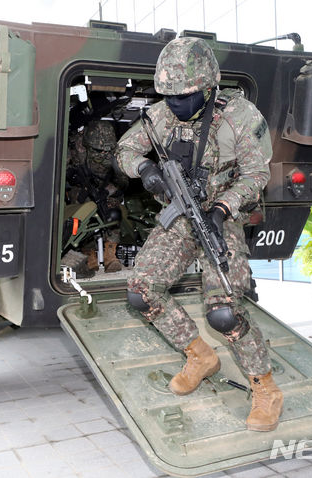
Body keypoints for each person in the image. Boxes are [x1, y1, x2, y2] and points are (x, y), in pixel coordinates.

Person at [116, 37, 282, 432]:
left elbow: (258, 175)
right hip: (179, 219)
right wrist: (145, 170)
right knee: (141, 291)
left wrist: (221, 209)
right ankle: (199, 356)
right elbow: (124, 150)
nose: (172, 104)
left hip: (221, 218)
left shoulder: (239, 116)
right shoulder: (162, 115)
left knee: (224, 311)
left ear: (208, 88)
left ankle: (266, 388)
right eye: (167, 95)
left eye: (181, 96)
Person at [66, 120, 128, 273]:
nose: (104, 155)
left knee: (112, 214)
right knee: (81, 216)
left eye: (107, 150)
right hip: (80, 188)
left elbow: (124, 180)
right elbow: (58, 166)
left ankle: (110, 255)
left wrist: (109, 191)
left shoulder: (116, 153)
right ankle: (89, 254)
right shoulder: (76, 147)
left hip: (105, 188)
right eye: (98, 151)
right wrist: (71, 175)